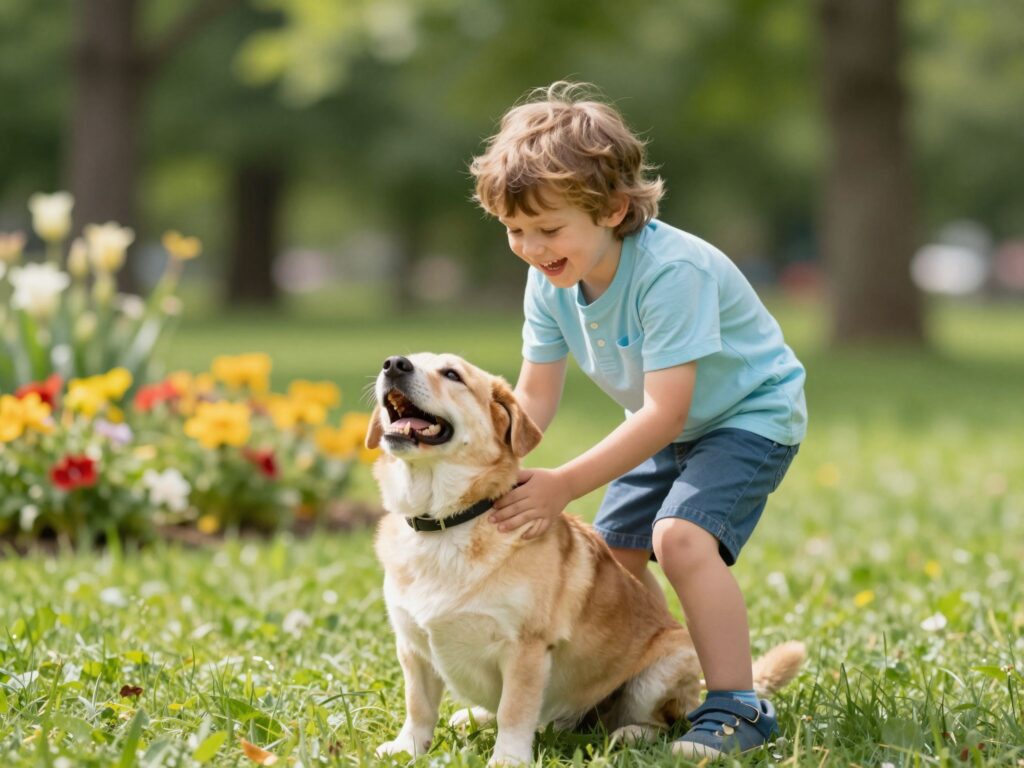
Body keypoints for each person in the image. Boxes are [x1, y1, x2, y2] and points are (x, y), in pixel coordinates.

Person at [469, 82, 807, 758]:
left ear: (614, 209)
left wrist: (562, 483)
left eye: (548, 228)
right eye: (515, 230)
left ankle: (738, 705)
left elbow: (665, 411)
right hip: (671, 425)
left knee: (681, 539)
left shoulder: (671, 272)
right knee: (611, 561)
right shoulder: (551, 277)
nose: (532, 248)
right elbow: (536, 395)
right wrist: (492, 469)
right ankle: (610, 693)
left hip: (748, 416)